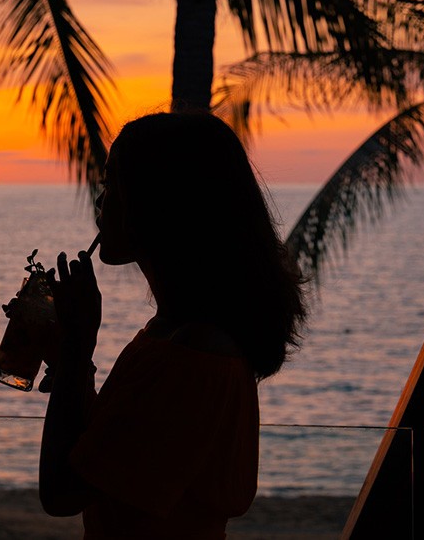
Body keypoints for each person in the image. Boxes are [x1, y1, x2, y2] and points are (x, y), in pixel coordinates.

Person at [38, 111, 308, 539]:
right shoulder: (168, 334)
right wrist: (74, 349)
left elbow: (62, 493)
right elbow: (104, 451)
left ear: (157, 201)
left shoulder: (193, 356)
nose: (101, 201)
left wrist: (76, 349)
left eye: (112, 184)